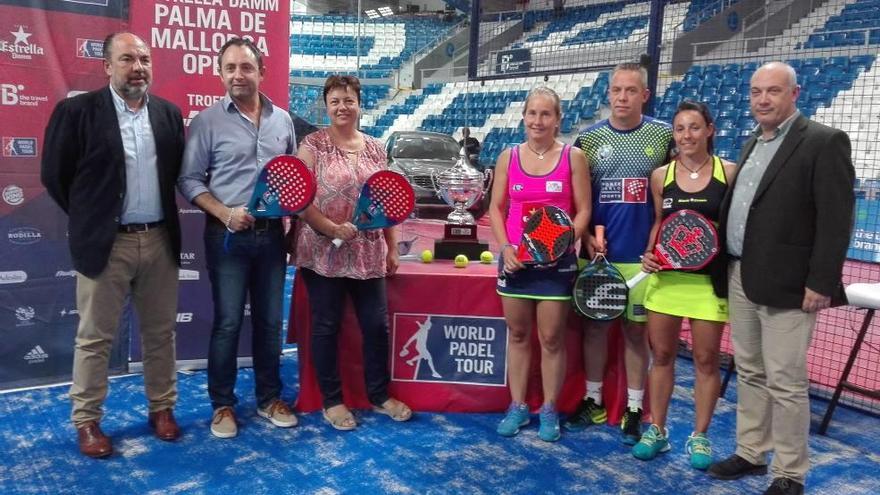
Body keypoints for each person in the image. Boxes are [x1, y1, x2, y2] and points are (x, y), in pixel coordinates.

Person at [707, 62, 854, 495]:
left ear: (795, 93)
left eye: (773, 91)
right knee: (750, 370)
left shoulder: (824, 142)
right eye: (756, 92)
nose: (762, 100)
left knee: (787, 381)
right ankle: (752, 452)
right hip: (740, 273)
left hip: (791, 284)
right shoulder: (754, 141)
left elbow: (835, 219)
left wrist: (822, 281)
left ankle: (789, 472)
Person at [40, 32, 184, 458]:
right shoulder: (76, 112)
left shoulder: (168, 114)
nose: (137, 67)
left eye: (143, 58)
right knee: (94, 338)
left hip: (158, 239)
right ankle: (87, 419)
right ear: (107, 67)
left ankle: (162, 408)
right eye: (126, 59)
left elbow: (173, 172)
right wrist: (93, 217)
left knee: (160, 334)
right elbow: (55, 176)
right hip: (107, 243)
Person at [178, 38, 297, 439]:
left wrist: (293, 228)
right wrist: (226, 213)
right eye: (229, 68)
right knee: (228, 323)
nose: (237, 75)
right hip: (226, 236)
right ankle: (223, 405)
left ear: (261, 72)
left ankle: (269, 399)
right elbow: (189, 179)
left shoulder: (283, 121)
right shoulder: (207, 122)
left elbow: (293, 179)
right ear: (220, 73)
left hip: (272, 238)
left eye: (246, 67)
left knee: (269, 323)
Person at [292, 74, 412, 431]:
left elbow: (386, 199)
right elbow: (300, 201)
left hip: (368, 252)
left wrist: (392, 247)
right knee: (326, 325)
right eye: (335, 101)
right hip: (321, 250)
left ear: (359, 104)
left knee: (376, 326)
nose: (342, 107)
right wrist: (330, 229)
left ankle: (379, 395)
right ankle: (332, 401)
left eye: (349, 100)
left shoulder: (376, 147)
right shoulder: (312, 145)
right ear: (326, 106)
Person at [565, 63, 674, 444]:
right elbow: (580, 198)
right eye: (616, 90)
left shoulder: (663, 136)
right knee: (594, 329)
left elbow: (672, 196)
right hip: (596, 256)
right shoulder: (588, 140)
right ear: (608, 94)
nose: (622, 97)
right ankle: (593, 400)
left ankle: (632, 407)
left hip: (642, 259)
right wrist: (587, 238)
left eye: (631, 90)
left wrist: (658, 243)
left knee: (635, 333)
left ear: (645, 95)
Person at [630, 100, 737, 469]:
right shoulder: (662, 175)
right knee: (661, 357)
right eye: (679, 129)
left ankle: (700, 436)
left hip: (708, 285)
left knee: (707, 360)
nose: (686, 135)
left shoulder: (729, 172)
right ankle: (656, 431)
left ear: (709, 130)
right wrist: (648, 253)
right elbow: (660, 221)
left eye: (694, 127)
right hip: (666, 281)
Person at [488, 86, 590, 442]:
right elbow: (496, 209)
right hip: (516, 263)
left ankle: (548, 408)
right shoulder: (508, 157)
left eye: (546, 114)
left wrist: (561, 246)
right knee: (517, 335)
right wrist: (506, 249)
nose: (538, 120)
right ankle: (517, 406)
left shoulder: (573, 158)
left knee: (550, 339)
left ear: (558, 119)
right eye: (533, 113)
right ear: (524, 117)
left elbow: (584, 211)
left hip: (556, 267)